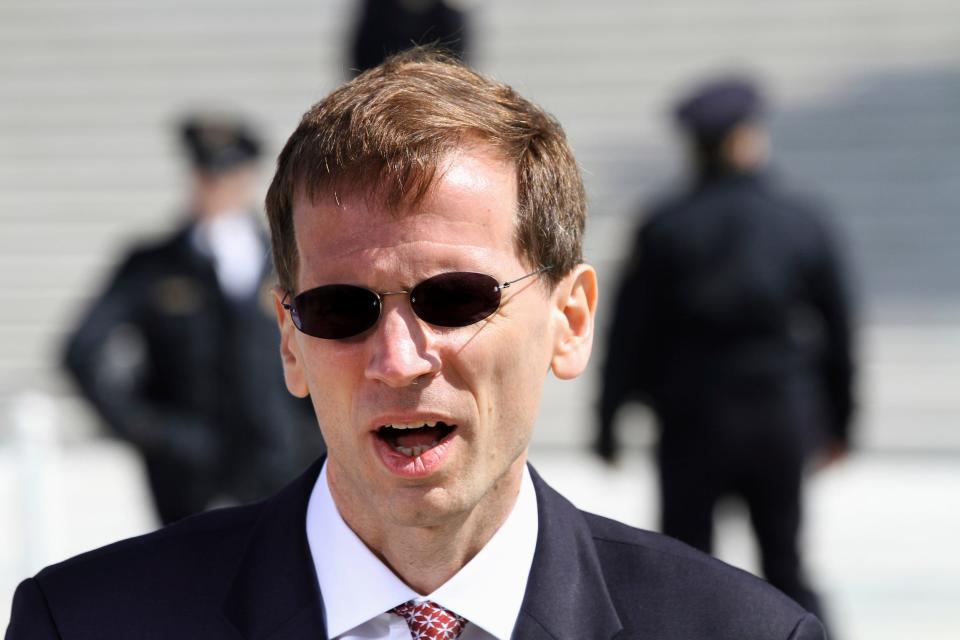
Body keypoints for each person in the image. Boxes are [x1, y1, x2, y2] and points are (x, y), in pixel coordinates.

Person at [7, 51, 826, 639]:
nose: (398, 359)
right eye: (339, 310)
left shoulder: (745, 632)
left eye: (455, 300)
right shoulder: (84, 622)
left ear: (570, 322)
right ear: (289, 340)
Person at [597, 77, 855, 624]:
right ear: (746, 139)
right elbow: (838, 328)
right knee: (785, 564)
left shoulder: (666, 225)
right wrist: (840, 422)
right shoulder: (798, 219)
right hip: (778, 415)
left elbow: (630, 331)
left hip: (692, 418)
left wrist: (609, 419)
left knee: (680, 568)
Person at [61, 114, 323, 525]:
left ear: (248, 179)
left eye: (226, 175)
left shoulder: (290, 258)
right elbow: (81, 352)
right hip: (187, 470)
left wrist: (312, 429)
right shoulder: (153, 264)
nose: (215, 187)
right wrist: (148, 430)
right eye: (205, 174)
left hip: (280, 461)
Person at [350, 0, 470, 73]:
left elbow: (455, 58)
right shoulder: (377, 8)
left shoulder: (449, 14)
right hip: (379, 78)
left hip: (434, 82)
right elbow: (363, 52)